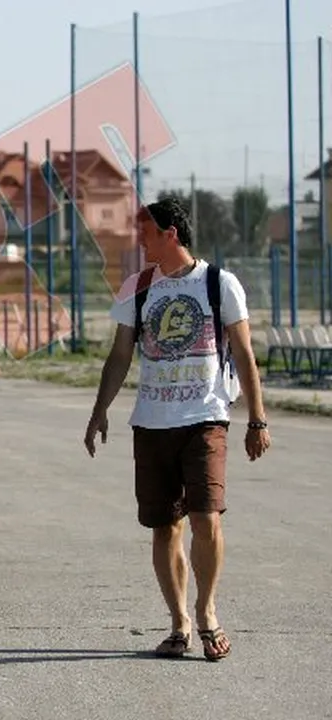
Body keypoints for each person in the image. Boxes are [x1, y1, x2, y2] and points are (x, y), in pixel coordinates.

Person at [85, 197, 270, 662]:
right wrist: (99, 410)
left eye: (145, 231)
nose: (139, 240)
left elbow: (245, 355)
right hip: (151, 423)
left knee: (206, 518)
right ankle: (179, 623)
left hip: (205, 419)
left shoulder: (219, 283)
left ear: (171, 233)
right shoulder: (137, 287)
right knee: (164, 527)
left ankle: (206, 613)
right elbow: (121, 355)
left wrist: (257, 418)